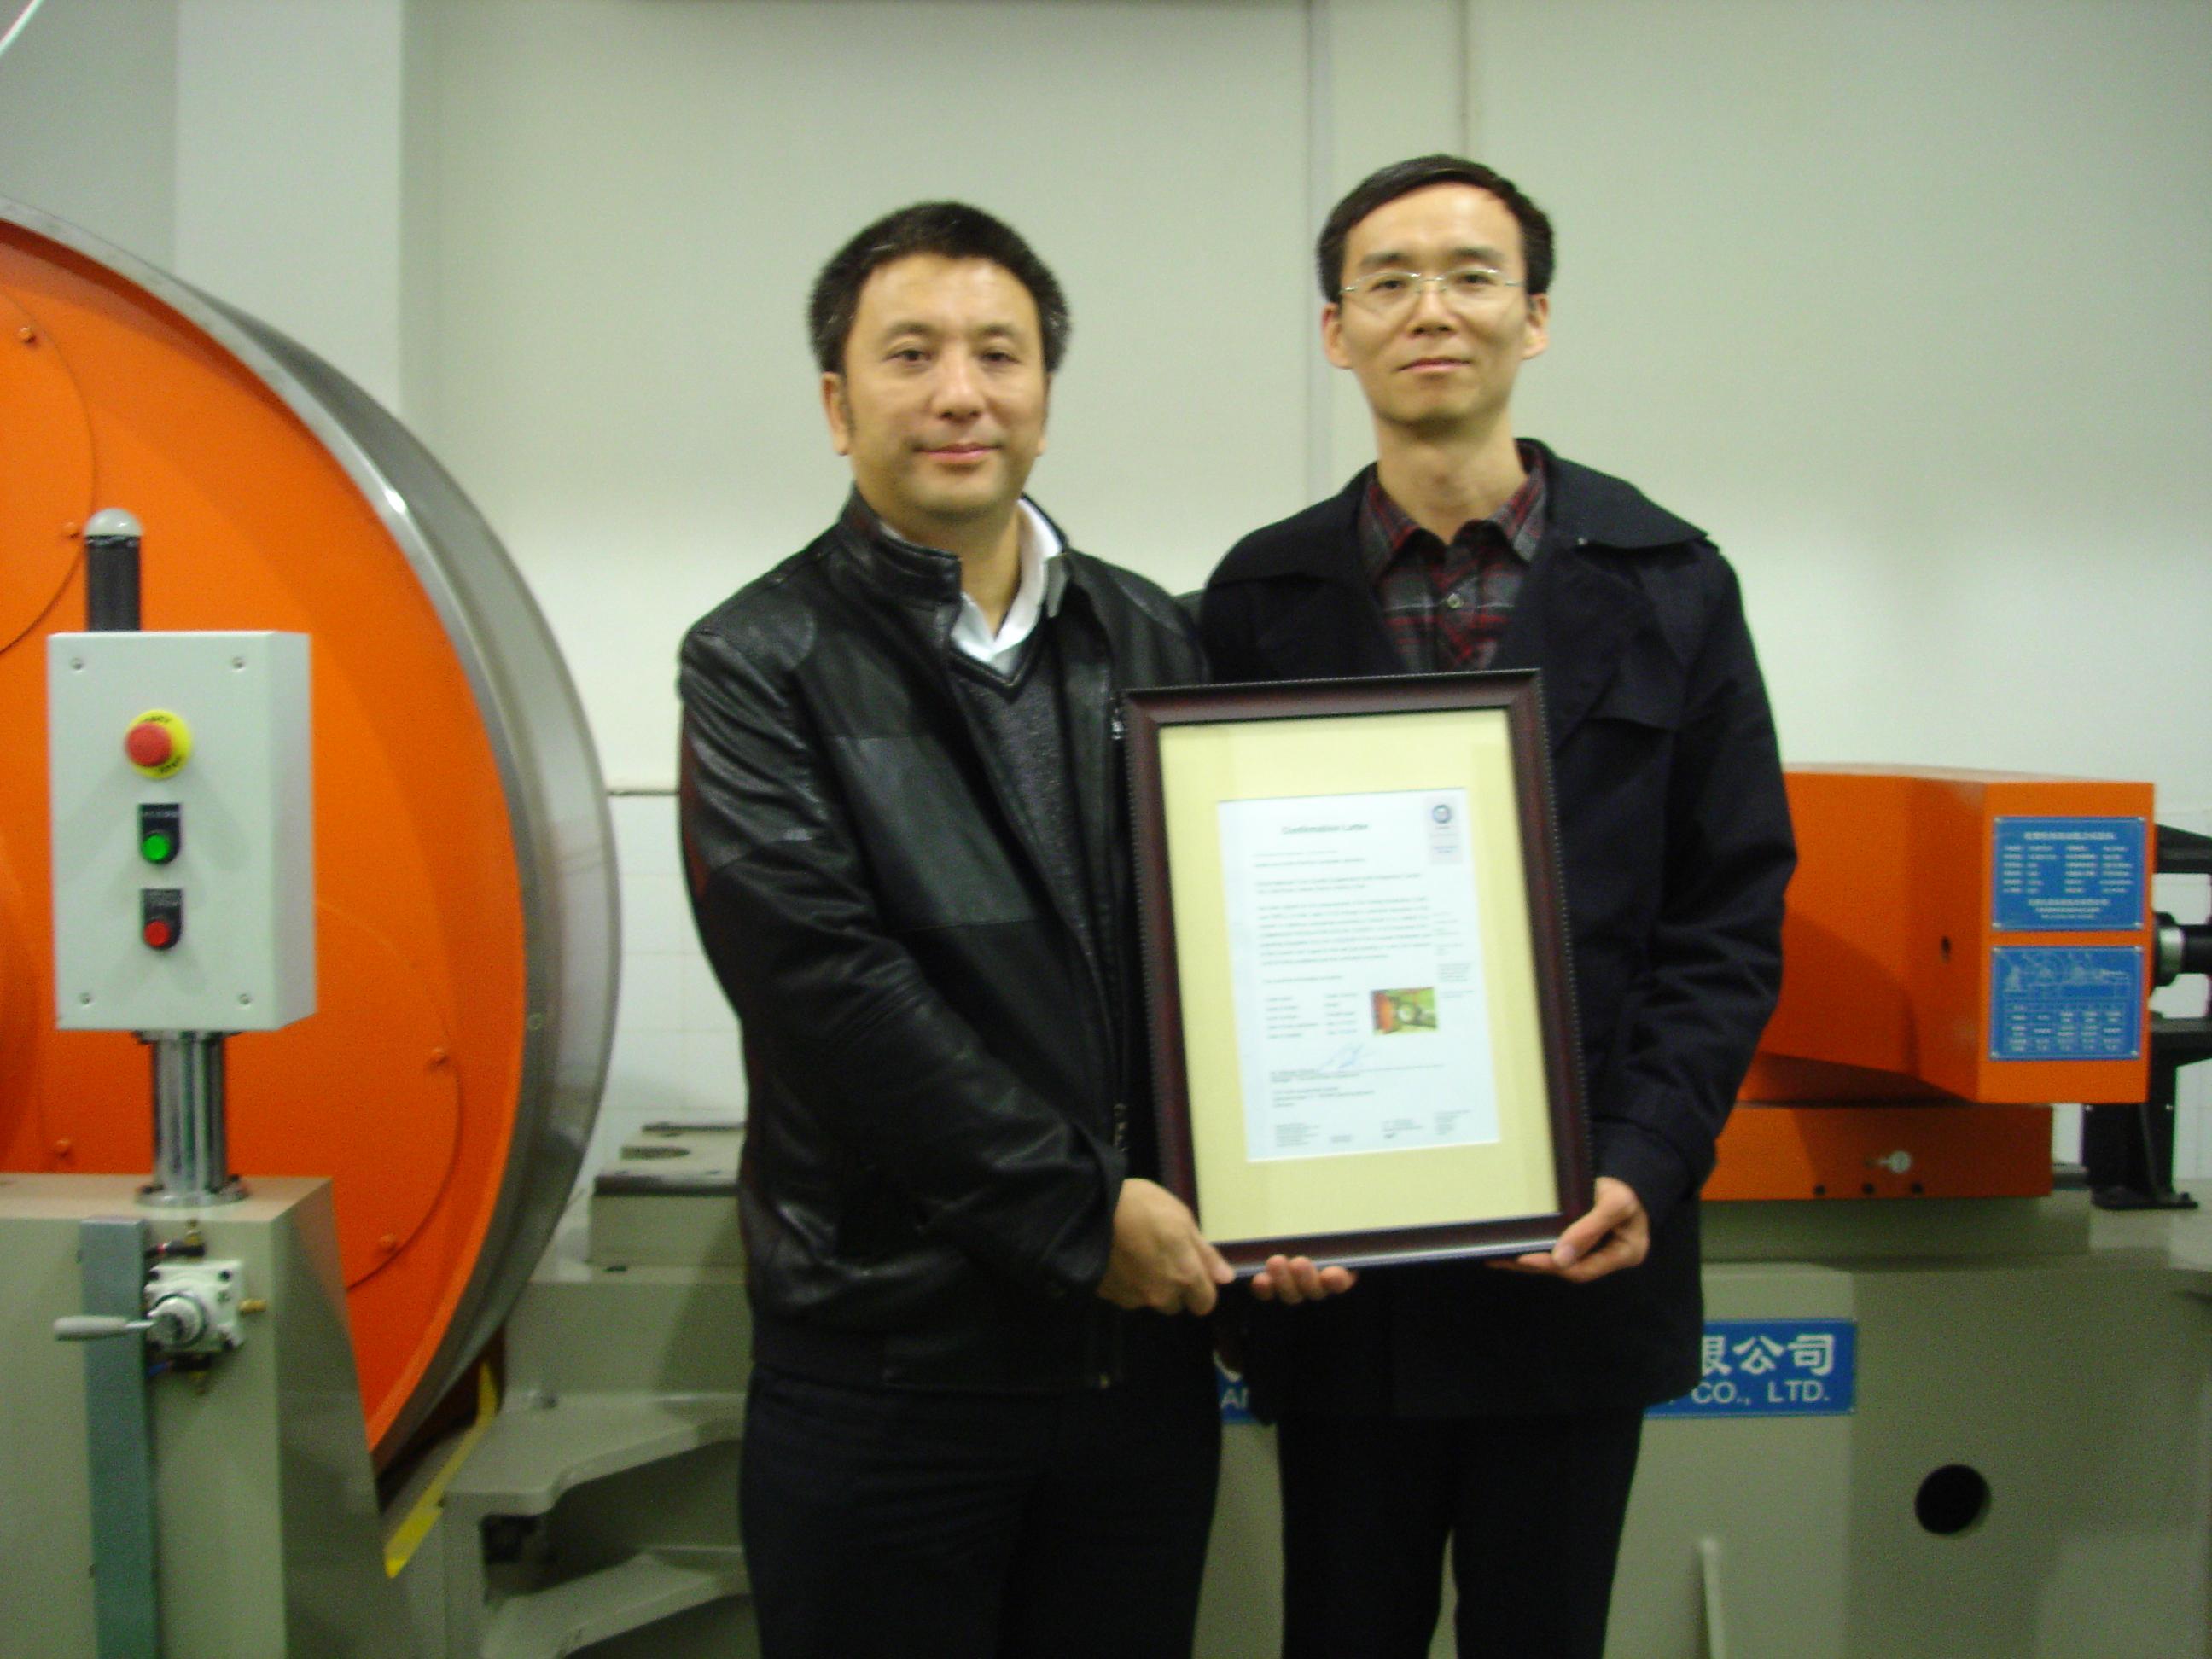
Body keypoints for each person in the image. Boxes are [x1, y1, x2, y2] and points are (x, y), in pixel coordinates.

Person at [1202, 154, 1796, 1658]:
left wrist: (1647, 1160)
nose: (1432, 310)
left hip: (1574, 1253)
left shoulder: (1673, 584)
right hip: (1341, 1283)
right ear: (1335, 331)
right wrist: (1246, 1198)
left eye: (1473, 276)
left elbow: (1728, 919)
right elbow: (1201, 934)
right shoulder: (1255, 599)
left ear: (1535, 318)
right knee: (1342, 1631)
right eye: (1388, 281)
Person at [678, 201, 1231, 1658]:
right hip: (889, 1370)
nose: (960, 393)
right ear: (836, 403)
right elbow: (828, 990)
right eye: (911, 353)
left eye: (1000, 353)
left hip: (1134, 1371)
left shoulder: (1153, 638)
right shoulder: (758, 661)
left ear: (1045, 392)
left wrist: (1281, 1182)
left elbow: (1222, 953)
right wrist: (1079, 1218)